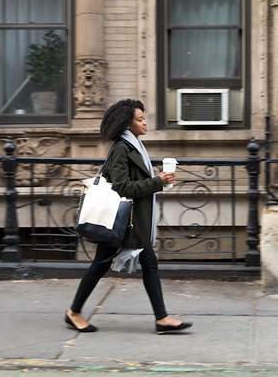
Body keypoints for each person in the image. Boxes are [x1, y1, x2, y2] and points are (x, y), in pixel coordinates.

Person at [65, 99, 193, 334]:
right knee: (100, 265)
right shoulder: (122, 149)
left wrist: (158, 180)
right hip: (123, 223)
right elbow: (123, 188)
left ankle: (162, 318)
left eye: (145, 118)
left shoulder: (134, 146)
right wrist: (158, 181)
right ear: (127, 123)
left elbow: (134, 182)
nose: (145, 123)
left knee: (148, 264)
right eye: (140, 119)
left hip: (134, 222)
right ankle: (73, 312)